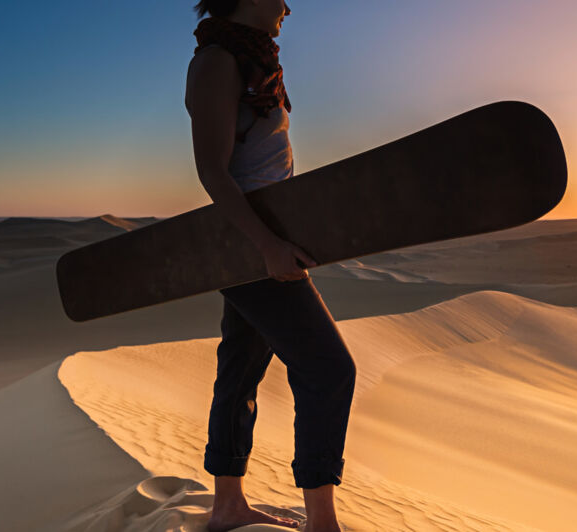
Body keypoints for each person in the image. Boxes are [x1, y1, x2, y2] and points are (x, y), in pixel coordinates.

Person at [185, 1, 357, 531]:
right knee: (329, 369)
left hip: (261, 239)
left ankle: (227, 507)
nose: (288, 6)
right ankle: (322, 521)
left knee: (240, 366)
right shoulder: (217, 61)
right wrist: (265, 245)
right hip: (249, 243)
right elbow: (212, 172)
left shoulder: (254, 62)